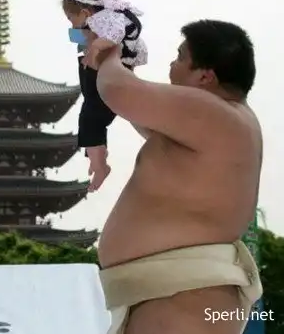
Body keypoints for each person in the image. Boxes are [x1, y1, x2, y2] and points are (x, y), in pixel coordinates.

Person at [94, 20, 263, 334]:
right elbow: (139, 110)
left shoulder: (217, 112)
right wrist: (124, 67)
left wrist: (110, 56)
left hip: (186, 296)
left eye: (180, 57)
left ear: (205, 76)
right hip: (178, 292)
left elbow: (118, 91)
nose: (172, 66)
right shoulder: (225, 119)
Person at [62, 0, 148, 192]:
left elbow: (115, 36)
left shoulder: (104, 21)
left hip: (107, 81)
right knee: (91, 121)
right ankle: (97, 160)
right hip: (109, 77)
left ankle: (99, 164)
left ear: (85, 12)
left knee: (90, 121)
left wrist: (96, 47)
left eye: (70, 17)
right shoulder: (109, 18)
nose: (70, 23)